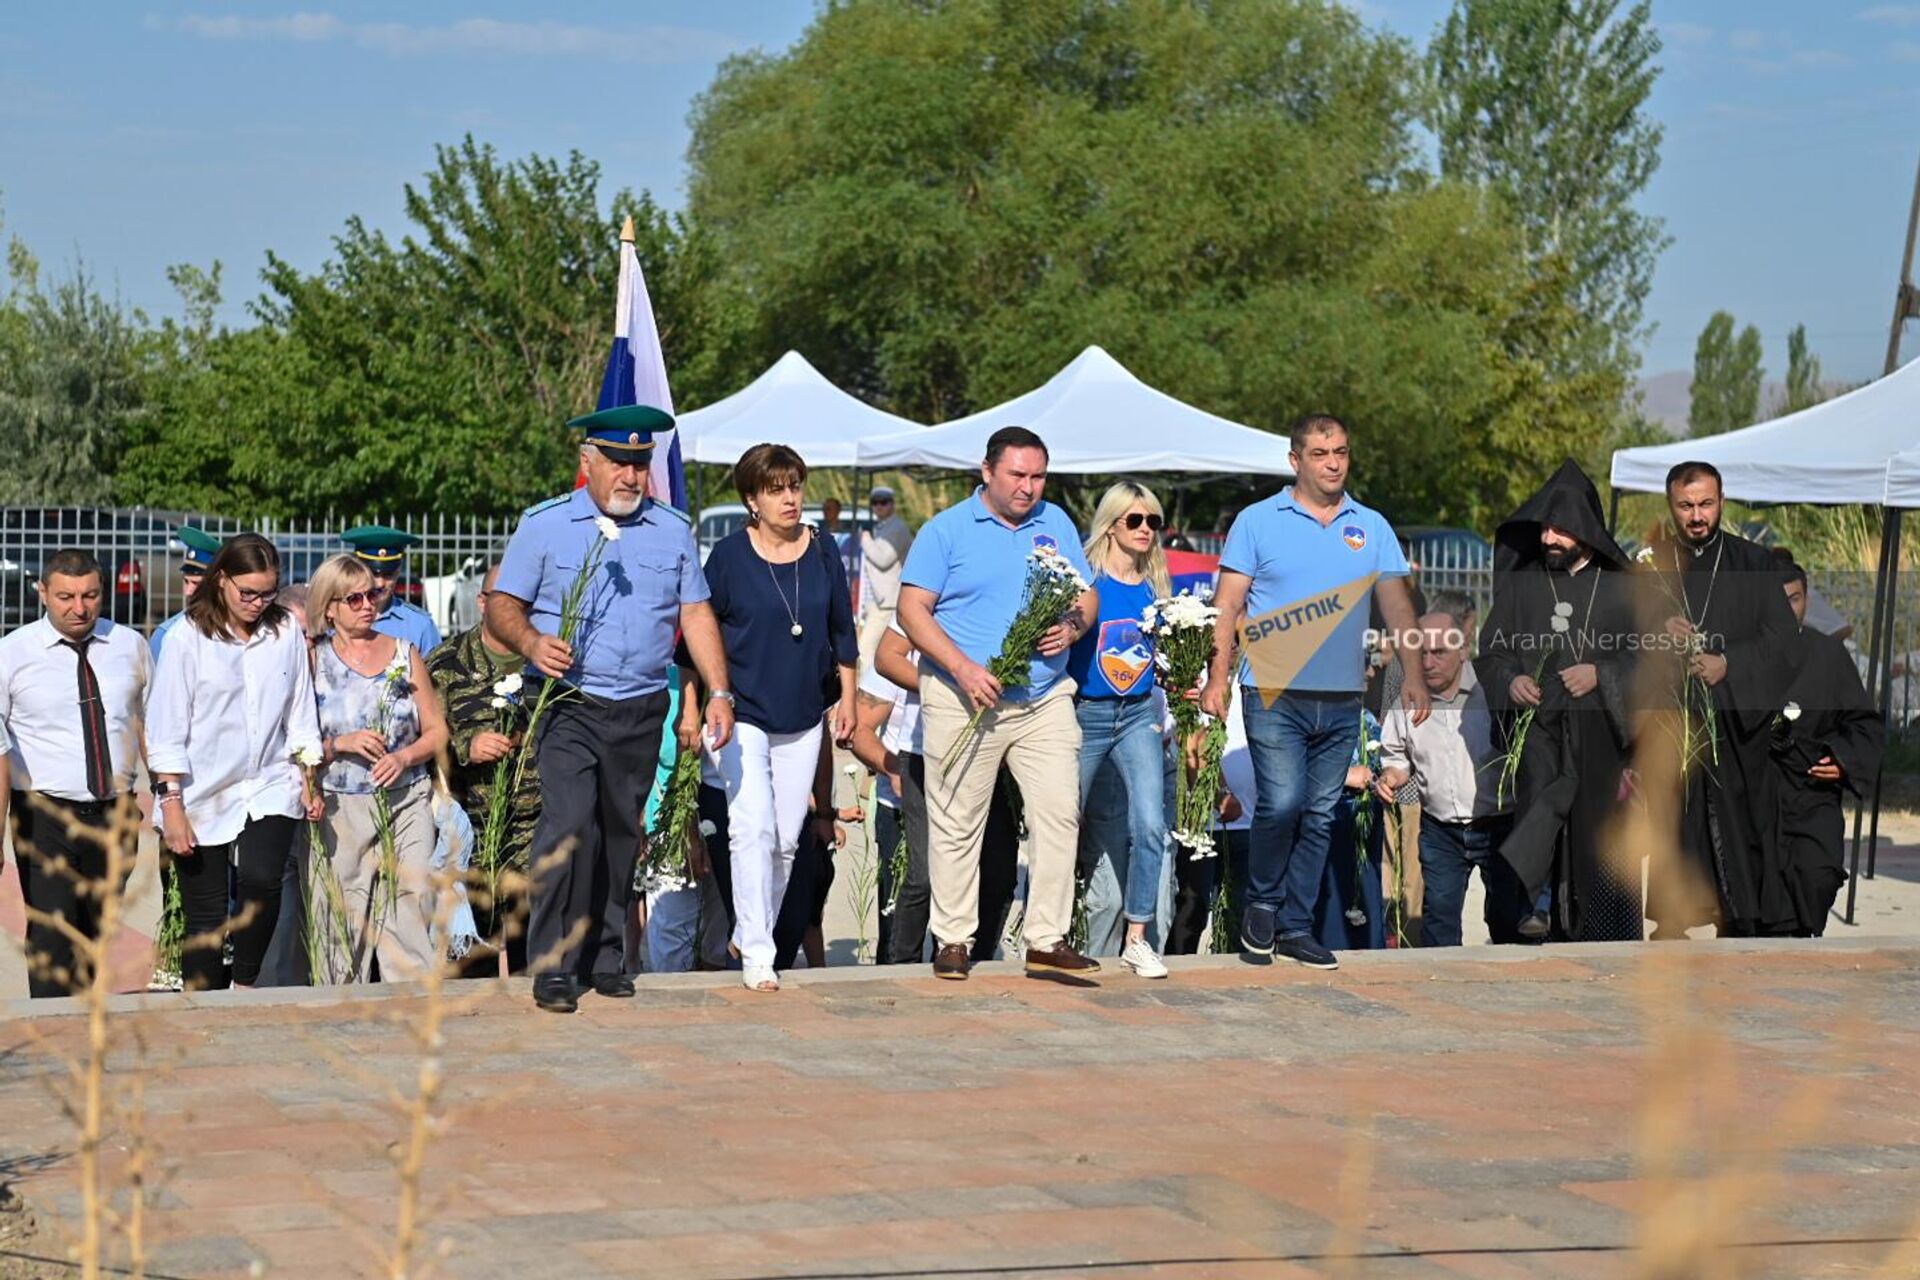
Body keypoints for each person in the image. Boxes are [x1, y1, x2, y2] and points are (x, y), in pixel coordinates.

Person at [488, 403, 732, 1013]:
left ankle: (603, 958)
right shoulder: (544, 525)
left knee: (622, 834)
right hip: (569, 701)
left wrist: (720, 691)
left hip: (641, 706)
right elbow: (502, 605)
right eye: (619, 463)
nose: (631, 476)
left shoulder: (672, 529)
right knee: (568, 827)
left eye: (640, 464)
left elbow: (694, 612)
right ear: (587, 462)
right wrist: (530, 642)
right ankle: (550, 965)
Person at [1202, 414, 1427, 970]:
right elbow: (1227, 606)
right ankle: (1262, 905)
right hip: (1272, 692)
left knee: (1322, 813)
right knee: (1282, 804)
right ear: (1295, 460)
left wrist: (1414, 676)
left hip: (1343, 698)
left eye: (1342, 452)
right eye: (1321, 453)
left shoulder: (1370, 526)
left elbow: (1398, 607)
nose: (1333, 462)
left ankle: (1295, 927)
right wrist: (1216, 677)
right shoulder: (1258, 521)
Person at [899, 426, 1101, 981]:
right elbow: (912, 610)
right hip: (964, 698)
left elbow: (1086, 592)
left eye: (1038, 476)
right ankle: (954, 940)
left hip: (1043, 698)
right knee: (959, 821)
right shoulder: (946, 531)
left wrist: (1073, 625)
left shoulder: (1055, 522)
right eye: (1017, 475)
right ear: (986, 472)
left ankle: (1045, 937)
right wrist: (963, 668)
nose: (1028, 488)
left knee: (1060, 812)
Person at [698, 443, 857, 991]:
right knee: (752, 828)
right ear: (751, 500)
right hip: (742, 709)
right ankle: (758, 957)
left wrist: (850, 698)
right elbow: (700, 632)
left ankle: (748, 928)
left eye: (794, 486)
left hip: (804, 712)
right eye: (776, 490)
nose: (790, 499)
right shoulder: (727, 557)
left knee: (787, 840)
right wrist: (697, 701)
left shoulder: (823, 550)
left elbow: (843, 630)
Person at [146, 534, 322, 992]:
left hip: (269, 781)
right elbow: (165, 731)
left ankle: (244, 989)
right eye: (249, 593)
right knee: (204, 912)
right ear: (221, 580)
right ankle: (201, 1002)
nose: (259, 603)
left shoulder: (284, 631)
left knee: (262, 880)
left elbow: (301, 713)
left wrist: (309, 777)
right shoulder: (187, 638)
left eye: (268, 592)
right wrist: (172, 807)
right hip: (200, 789)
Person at [1479, 460, 1642, 942]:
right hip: (1541, 728)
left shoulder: (1623, 589)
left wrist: (1602, 674)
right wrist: (1510, 682)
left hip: (1601, 734)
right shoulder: (1524, 586)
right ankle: (1539, 908)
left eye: (1560, 529)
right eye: (1545, 527)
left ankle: (1598, 926)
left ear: (1586, 533)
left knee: (1595, 826)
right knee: (1540, 803)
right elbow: (1491, 653)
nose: (1548, 538)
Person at [1643, 461, 1804, 938]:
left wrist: (1727, 664)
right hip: (1674, 725)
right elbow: (1622, 638)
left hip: (1735, 729)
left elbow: (1785, 646)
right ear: (1671, 506)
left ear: (1722, 502)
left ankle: (1741, 922)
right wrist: (1658, 630)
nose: (1697, 516)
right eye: (1686, 505)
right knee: (1678, 823)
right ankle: (1673, 919)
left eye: (1706, 504)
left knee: (1735, 829)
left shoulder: (1754, 565)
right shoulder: (1652, 565)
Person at [0, 550, 152, 997]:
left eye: (90, 595)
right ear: (42, 592)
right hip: (43, 815)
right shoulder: (12, 654)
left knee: (94, 934)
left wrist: (165, 794)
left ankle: (80, 1028)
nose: (79, 608)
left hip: (114, 813)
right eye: (65, 596)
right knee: (52, 935)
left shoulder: (129, 647)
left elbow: (147, 723)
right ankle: (52, 1037)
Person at [307, 553, 450, 982]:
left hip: (406, 800)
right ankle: (339, 1010)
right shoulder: (312, 660)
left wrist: (404, 757)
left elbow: (438, 730)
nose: (369, 604)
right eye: (354, 598)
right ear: (329, 606)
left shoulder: (404, 654)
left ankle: (413, 1008)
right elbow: (293, 740)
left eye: (372, 593)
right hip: (338, 807)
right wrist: (339, 744)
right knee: (340, 919)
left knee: (408, 902)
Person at [1066, 481, 1175, 978]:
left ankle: (1137, 937)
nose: (1146, 530)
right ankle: (1047, 931)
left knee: (1151, 825)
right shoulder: (1083, 579)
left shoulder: (1157, 590)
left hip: (1136, 715)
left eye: (1153, 521)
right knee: (1062, 825)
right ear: (1112, 524)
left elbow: (1161, 664)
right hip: (1085, 713)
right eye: (1135, 520)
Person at [1376, 609, 1525, 947]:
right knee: (1439, 924)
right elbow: (1396, 757)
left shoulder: (1492, 690)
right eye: (1421, 652)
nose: (1428, 662)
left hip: (1499, 825)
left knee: (1506, 921)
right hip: (1440, 830)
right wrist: (1392, 776)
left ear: (1462, 650)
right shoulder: (1407, 697)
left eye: (1439, 652)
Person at [427, 563, 541, 972]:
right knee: (473, 955)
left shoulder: (546, 663)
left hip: (535, 826)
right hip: (474, 826)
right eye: (505, 599)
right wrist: (465, 747)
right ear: (482, 602)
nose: (517, 609)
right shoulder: (445, 663)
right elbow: (424, 739)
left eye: (525, 601)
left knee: (534, 949)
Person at [1770, 562, 1883, 935]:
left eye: (1796, 599)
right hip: (1755, 799)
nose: (1787, 609)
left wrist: (1842, 759)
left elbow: (1863, 724)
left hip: (1811, 794)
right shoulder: (1734, 656)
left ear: (1806, 599)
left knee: (1817, 873)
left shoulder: (1829, 657)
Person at [341, 525, 442, 655]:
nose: (380, 583)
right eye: (373, 573)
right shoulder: (339, 617)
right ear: (357, 570)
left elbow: (437, 673)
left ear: (398, 571)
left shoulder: (419, 625)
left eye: (388, 574)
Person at [858, 485, 914, 667]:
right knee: (873, 652)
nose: (879, 506)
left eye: (884, 502)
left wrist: (865, 539)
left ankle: (864, 694)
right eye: (875, 502)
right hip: (878, 601)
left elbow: (883, 559)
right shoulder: (883, 527)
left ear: (892, 504)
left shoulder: (897, 528)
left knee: (866, 650)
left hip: (888, 603)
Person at [149, 527, 221, 659]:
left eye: (196, 583)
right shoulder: (166, 633)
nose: (188, 592)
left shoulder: (236, 629)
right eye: (186, 582)